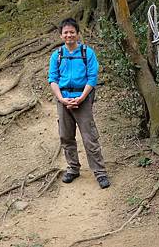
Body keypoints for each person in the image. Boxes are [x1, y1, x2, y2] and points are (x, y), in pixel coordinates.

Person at [48, 18, 110, 189]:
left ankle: (100, 173)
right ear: (61, 35)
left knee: (89, 137)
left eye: (72, 32)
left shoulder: (87, 53)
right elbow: (52, 79)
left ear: (77, 34)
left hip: (83, 98)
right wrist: (61, 99)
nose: (69, 35)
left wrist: (82, 98)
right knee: (66, 136)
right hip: (63, 100)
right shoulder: (57, 55)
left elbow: (92, 78)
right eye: (66, 32)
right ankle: (73, 168)